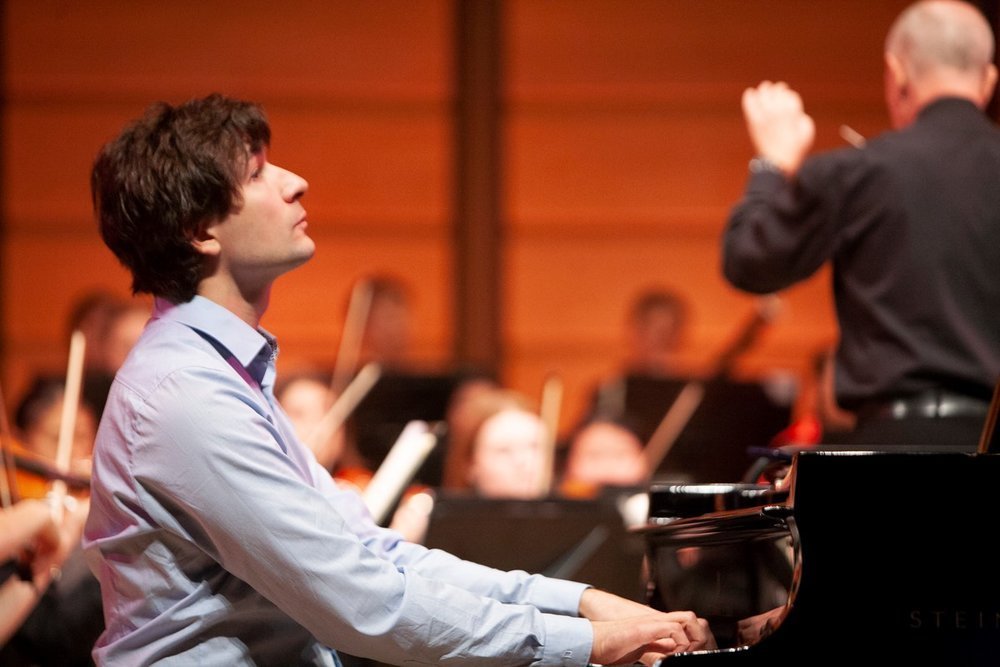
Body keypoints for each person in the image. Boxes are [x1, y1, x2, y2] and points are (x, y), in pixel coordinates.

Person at [83, 93, 712, 666]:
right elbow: (363, 602)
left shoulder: (218, 371)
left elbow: (373, 553)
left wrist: (579, 603)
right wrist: (586, 644)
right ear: (201, 231)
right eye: (257, 172)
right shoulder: (185, 395)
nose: (296, 182)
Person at [723, 0, 1000, 448]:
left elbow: (749, 262)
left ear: (897, 74)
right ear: (988, 80)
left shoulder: (856, 173)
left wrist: (771, 164)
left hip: (897, 446)